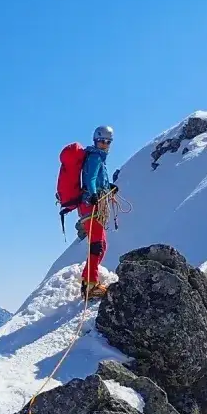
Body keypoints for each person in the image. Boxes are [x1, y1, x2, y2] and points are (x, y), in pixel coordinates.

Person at [78, 125, 117, 301]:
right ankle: (90, 286)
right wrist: (93, 195)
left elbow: (99, 180)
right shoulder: (95, 157)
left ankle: (89, 281)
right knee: (97, 245)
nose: (104, 144)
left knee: (101, 245)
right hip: (90, 205)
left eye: (108, 142)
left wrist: (109, 187)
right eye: (102, 141)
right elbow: (90, 179)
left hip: (94, 203)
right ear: (96, 140)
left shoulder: (99, 157)